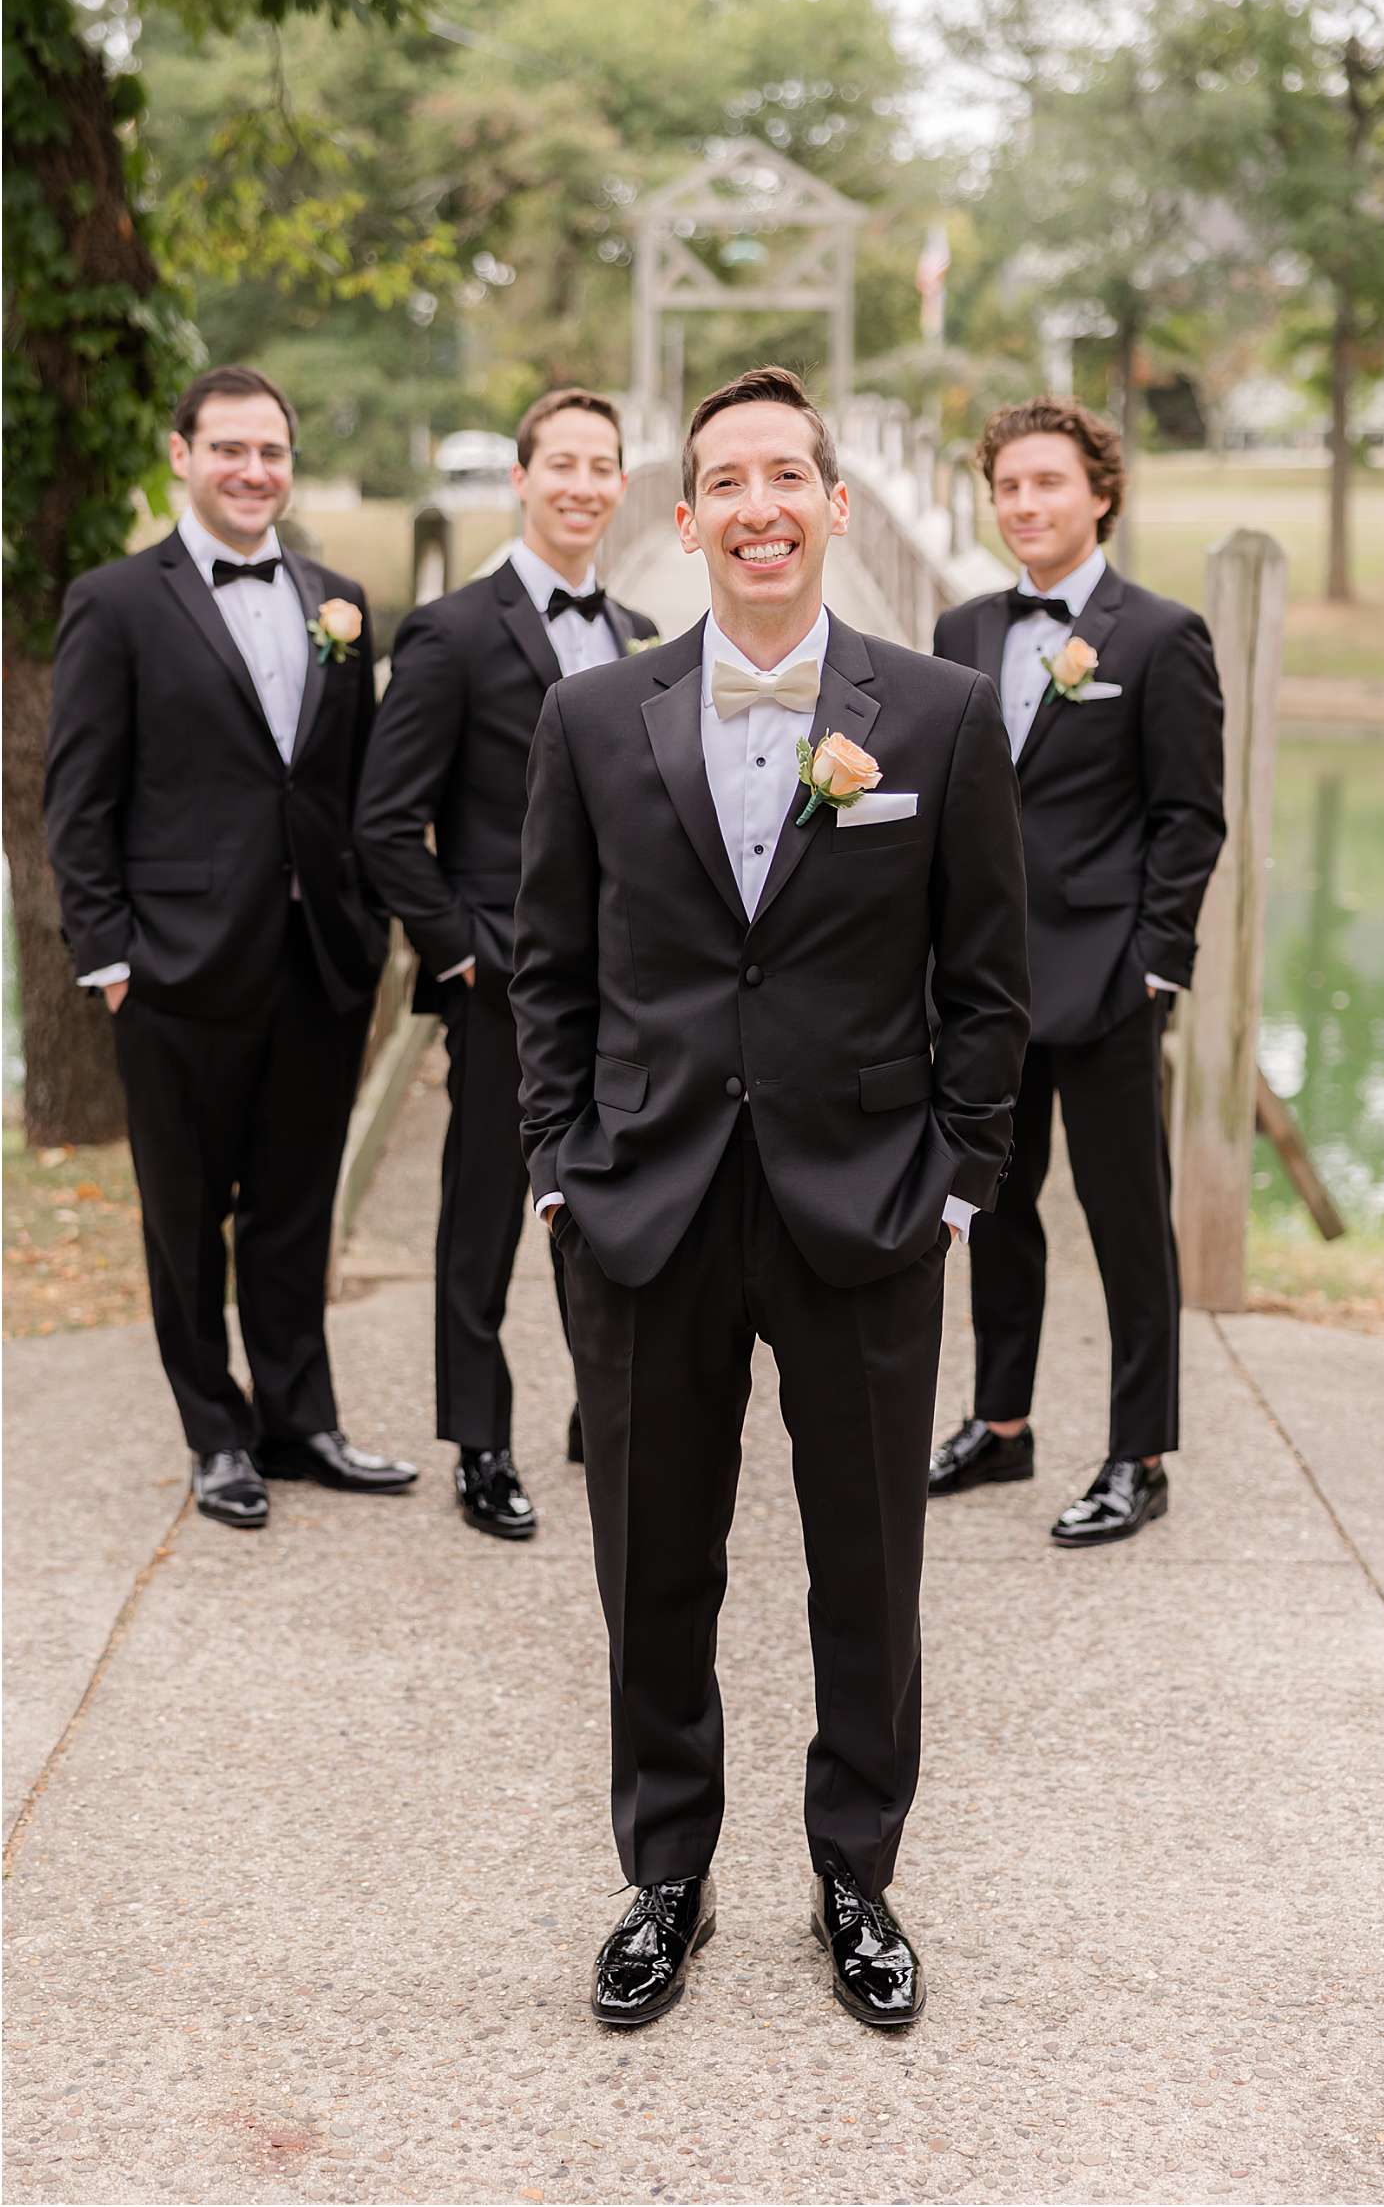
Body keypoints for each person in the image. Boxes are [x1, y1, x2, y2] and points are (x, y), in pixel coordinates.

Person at [511, 366, 1029, 2029]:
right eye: (724, 480)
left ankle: (857, 1871)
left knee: (866, 1563)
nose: (757, 506)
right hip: (645, 1209)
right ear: (687, 517)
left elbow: (991, 982)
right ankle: (667, 1869)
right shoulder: (595, 717)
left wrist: (957, 1185)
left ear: (834, 504)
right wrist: (557, 1174)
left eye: (785, 477)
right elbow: (550, 971)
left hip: (867, 1206)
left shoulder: (940, 716)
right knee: (652, 1560)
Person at [44, 365, 415, 1531]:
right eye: (231, 450)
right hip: (173, 969)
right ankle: (216, 1433)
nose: (254, 471)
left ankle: (300, 1419)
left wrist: (364, 926)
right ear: (181, 456)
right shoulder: (116, 601)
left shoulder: (337, 595)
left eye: (272, 452)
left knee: (296, 1204)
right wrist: (109, 960)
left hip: (317, 960)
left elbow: (345, 782)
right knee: (185, 1211)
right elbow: (78, 796)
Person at [356, 389, 657, 1544]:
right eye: (561, 463)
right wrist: (467, 958)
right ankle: (479, 1440)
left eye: (602, 465)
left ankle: (604, 1404)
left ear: (619, 486)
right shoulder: (451, 631)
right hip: (504, 978)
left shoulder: (640, 630)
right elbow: (385, 824)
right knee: (482, 1211)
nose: (582, 484)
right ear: (522, 478)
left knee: (628, 1195)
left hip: (633, 980)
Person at [928, 396, 1226, 1547]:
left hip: (1106, 980)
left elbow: (1187, 818)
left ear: (1098, 492)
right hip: (984, 984)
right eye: (1006, 485)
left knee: (1125, 1221)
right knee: (992, 1210)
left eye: (1046, 482)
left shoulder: (1158, 635)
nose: (1024, 504)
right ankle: (999, 1426)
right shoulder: (958, 630)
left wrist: (1154, 965)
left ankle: (1137, 1452)